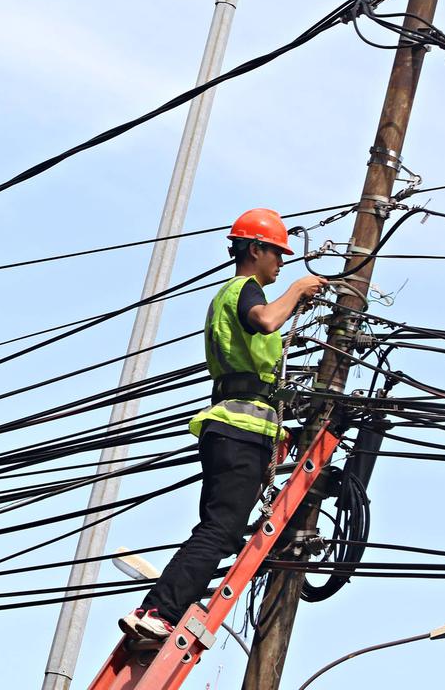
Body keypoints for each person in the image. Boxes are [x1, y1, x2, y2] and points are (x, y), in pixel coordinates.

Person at [118, 207, 326, 640]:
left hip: (232, 430)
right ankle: (159, 609)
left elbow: (264, 344)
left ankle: (163, 607)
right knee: (220, 530)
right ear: (256, 249)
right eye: (277, 253)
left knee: (219, 529)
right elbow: (267, 320)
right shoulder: (245, 290)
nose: (281, 263)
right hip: (239, 431)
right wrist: (298, 289)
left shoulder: (233, 296)